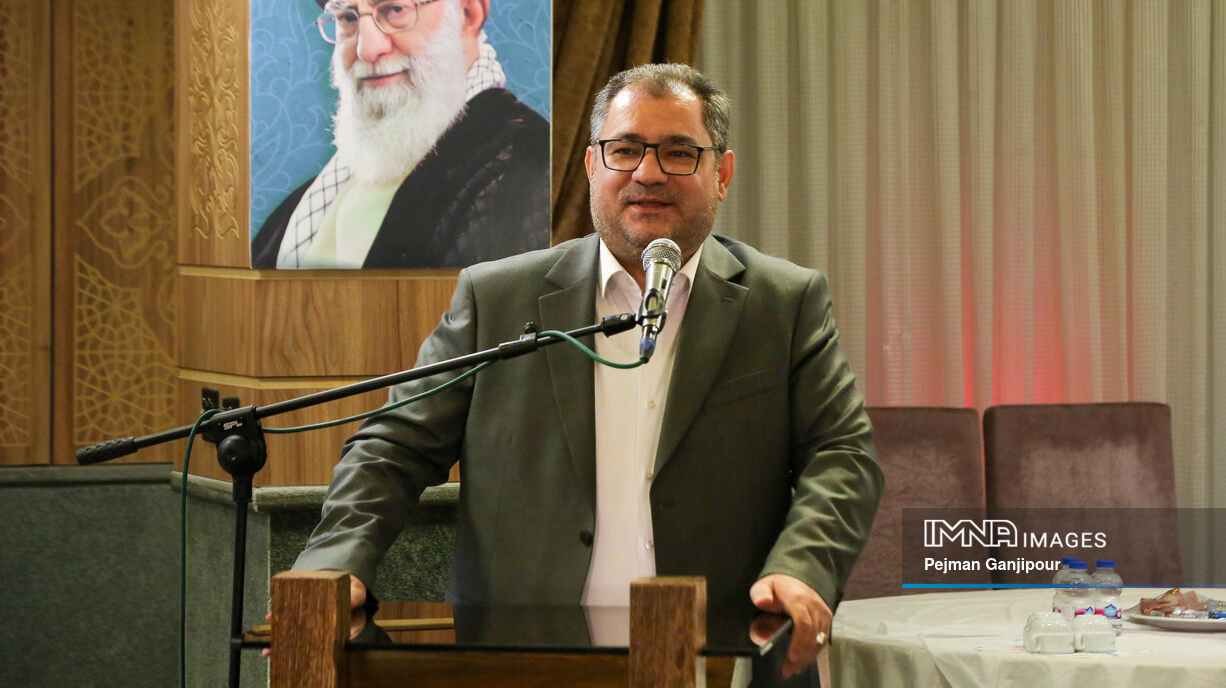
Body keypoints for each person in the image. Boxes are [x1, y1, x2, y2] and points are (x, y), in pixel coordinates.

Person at [294, 63, 883, 681]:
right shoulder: (499, 299)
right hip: (526, 658)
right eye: (624, 150)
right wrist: (335, 563)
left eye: (679, 152)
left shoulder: (782, 303)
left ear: (723, 174)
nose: (648, 173)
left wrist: (801, 568)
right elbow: (395, 445)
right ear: (591, 166)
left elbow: (842, 455)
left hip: (725, 654)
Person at [252, 0, 549, 269]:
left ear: (468, 15)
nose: (368, 48)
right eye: (348, 18)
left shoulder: (527, 170)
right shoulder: (303, 208)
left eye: (394, 10)